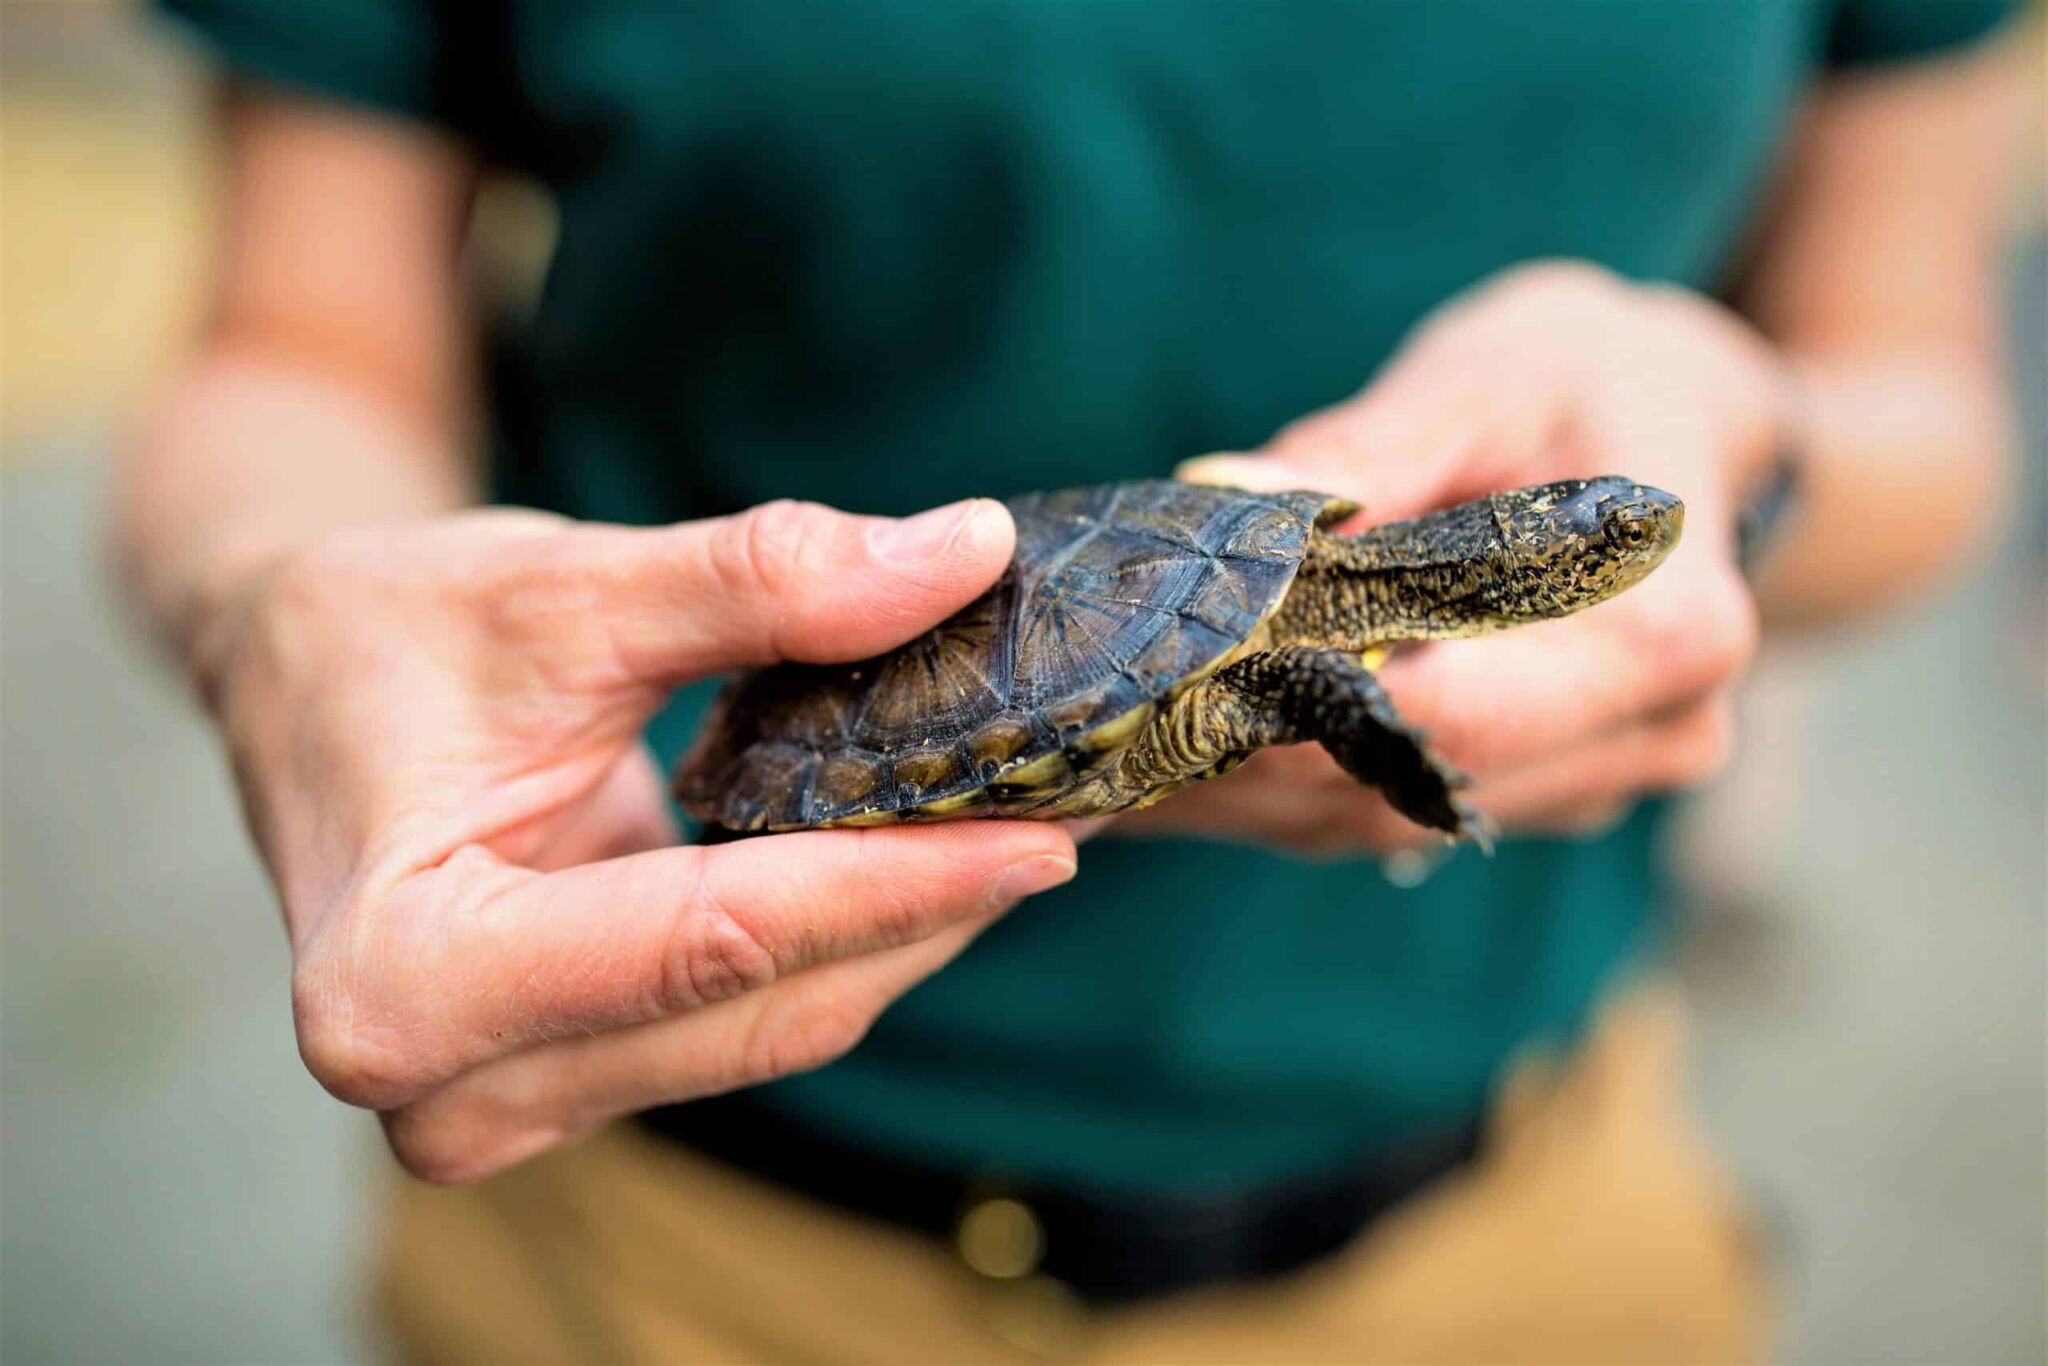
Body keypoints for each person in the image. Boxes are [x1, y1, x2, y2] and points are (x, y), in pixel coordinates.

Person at [124, 1, 2023, 1359]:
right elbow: (298, 343)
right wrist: (280, 599)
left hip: (1525, 1233)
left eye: (1608, 544)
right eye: (1598, 544)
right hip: (659, 1233)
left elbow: (1915, 381)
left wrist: (1755, 429)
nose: (1611, 549)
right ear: (1525, 565)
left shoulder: (1316, 609)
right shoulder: (1310, 635)